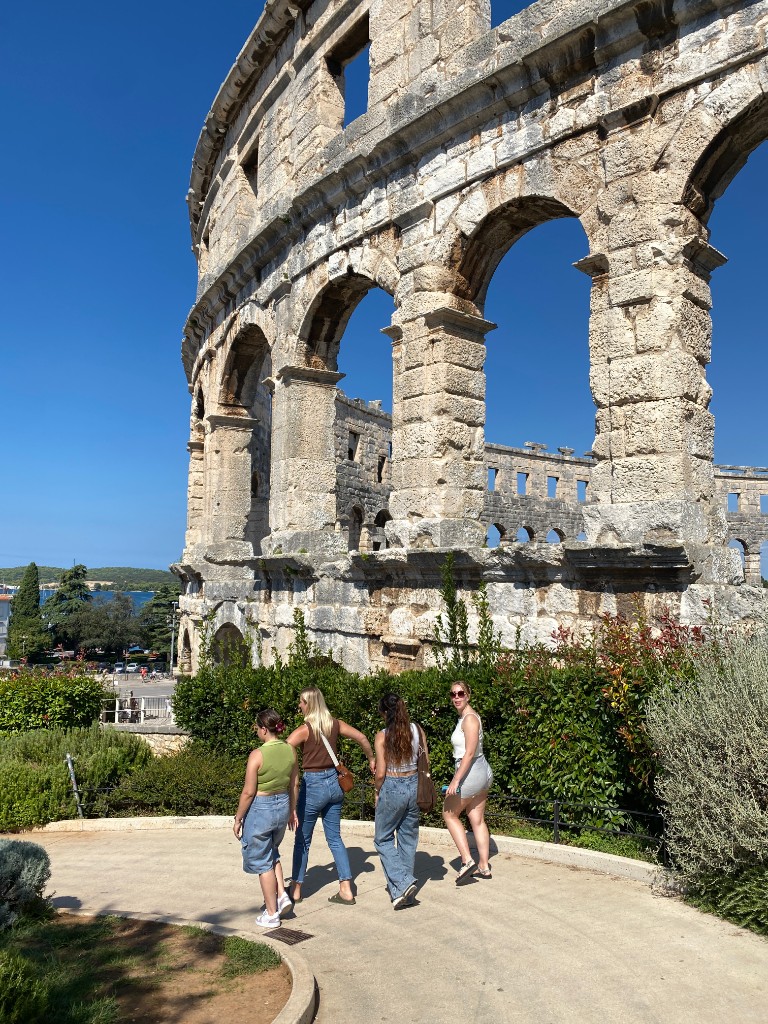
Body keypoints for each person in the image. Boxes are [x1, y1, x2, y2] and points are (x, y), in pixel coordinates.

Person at [286, 687, 375, 905]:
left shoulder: (304, 730)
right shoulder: (335, 724)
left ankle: (296, 890)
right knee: (335, 838)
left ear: (309, 704)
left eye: (301, 702)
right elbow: (362, 737)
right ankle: (346, 888)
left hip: (313, 786)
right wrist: (371, 759)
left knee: (303, 841)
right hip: (335, 785)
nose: (299, 705)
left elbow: (285, 749)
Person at [233, 708, 299, 929]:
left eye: (257, 728)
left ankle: (272, 914)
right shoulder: (290, 749)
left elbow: (248, 792)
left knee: (262, 862)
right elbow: (294, 784)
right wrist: (292, 810)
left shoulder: (257, 755)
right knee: (273, 851)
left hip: (261, 808)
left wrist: (238, 818)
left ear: (263, 729)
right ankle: (281, 895)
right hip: (282, 805)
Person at [373, 692, 425, 910]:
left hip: (393, 785)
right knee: (407, 839)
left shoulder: (382, 736)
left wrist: (377, 791)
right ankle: (402, 894)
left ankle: (403, 883)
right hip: (414, 784)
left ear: (386, 713)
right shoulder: (417, 730)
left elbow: (381, 772)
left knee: (382, 839)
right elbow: (425, 761)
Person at [442, 681, 493, 883]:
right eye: (453, 694)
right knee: (476, 819)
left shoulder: (470, 719)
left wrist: (456, 780)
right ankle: (483, 866)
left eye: (461, 693)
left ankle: (466, 860)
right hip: (481, 773)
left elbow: (469, 753)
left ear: (468, 695)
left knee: (449, 813)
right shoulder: (465, 717)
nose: (456, 697)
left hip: (471, 771)